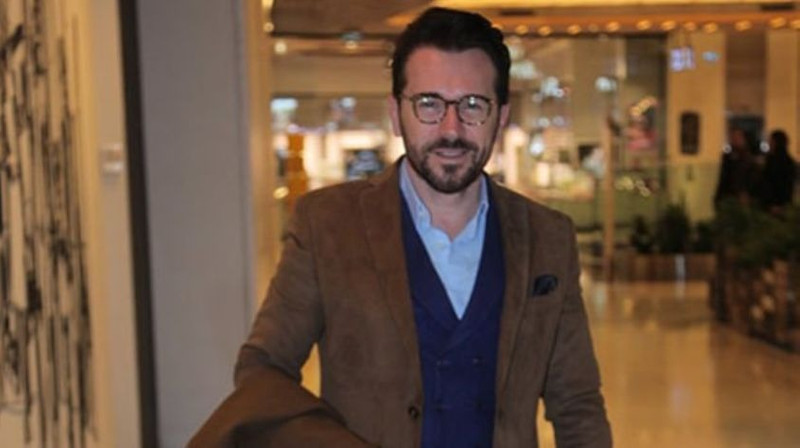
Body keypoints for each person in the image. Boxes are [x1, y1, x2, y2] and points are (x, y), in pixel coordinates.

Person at [188, 7, 611, 448]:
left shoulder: (548, 236)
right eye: (429, 104)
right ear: (396, 113)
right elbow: (264, 368)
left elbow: (577, 402)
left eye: (473, 105)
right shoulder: (327, 224)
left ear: (501, 117)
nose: (451, 129)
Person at [714, 126, 760, 207]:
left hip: (743, 196)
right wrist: (719, 196)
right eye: (733, 137)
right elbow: (724, 177)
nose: (734, 140)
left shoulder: (749, 156)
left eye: (737, 137)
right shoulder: (728, 156)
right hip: (729, 195)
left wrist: (746, 192)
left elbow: (752, 176)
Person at [757, 129, 796, 213]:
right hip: (774, 203)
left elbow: (782, 184)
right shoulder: (776, 160)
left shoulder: (778, 161)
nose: (769, 144)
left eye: (770, 141)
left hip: (775, 204)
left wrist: (777, 204)